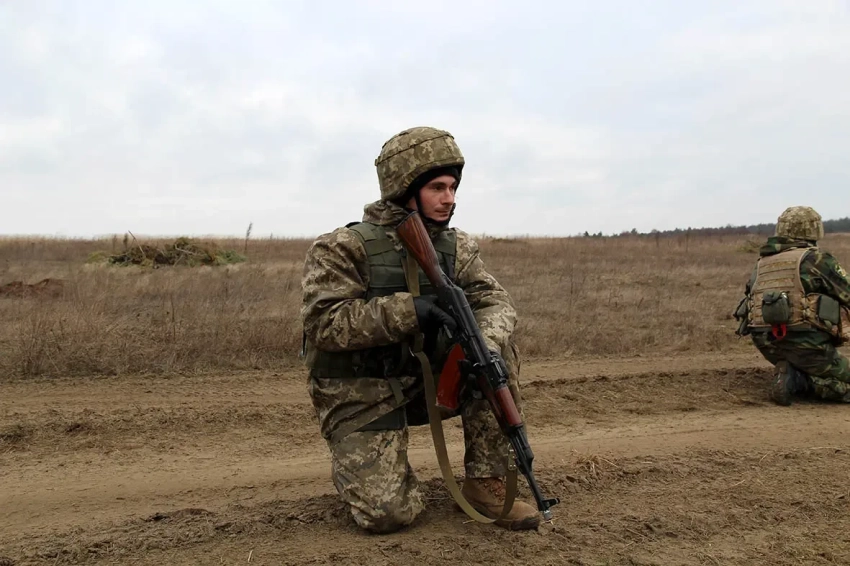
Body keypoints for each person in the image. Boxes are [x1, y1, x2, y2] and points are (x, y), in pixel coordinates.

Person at [300, 126, 541, 533]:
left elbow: (494, 301)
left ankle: (485, 481)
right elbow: (324, 323)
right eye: (437, 188)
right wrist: (409, 311)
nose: (449, 198)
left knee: (492, 358)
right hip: (363, 391)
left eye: (453, 187)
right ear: (403, 188)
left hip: (427, 382)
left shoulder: (456, 247)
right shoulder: (342, 247)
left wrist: (483, 344)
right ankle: (369, 472)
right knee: (388, 515)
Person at [734, 205, 850, 405]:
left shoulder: (761, 264)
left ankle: (791, 372)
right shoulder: (816, 259)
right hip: (808, 345)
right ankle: (801, 381)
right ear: (814, 229)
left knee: (808, 363)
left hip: (767, 345)